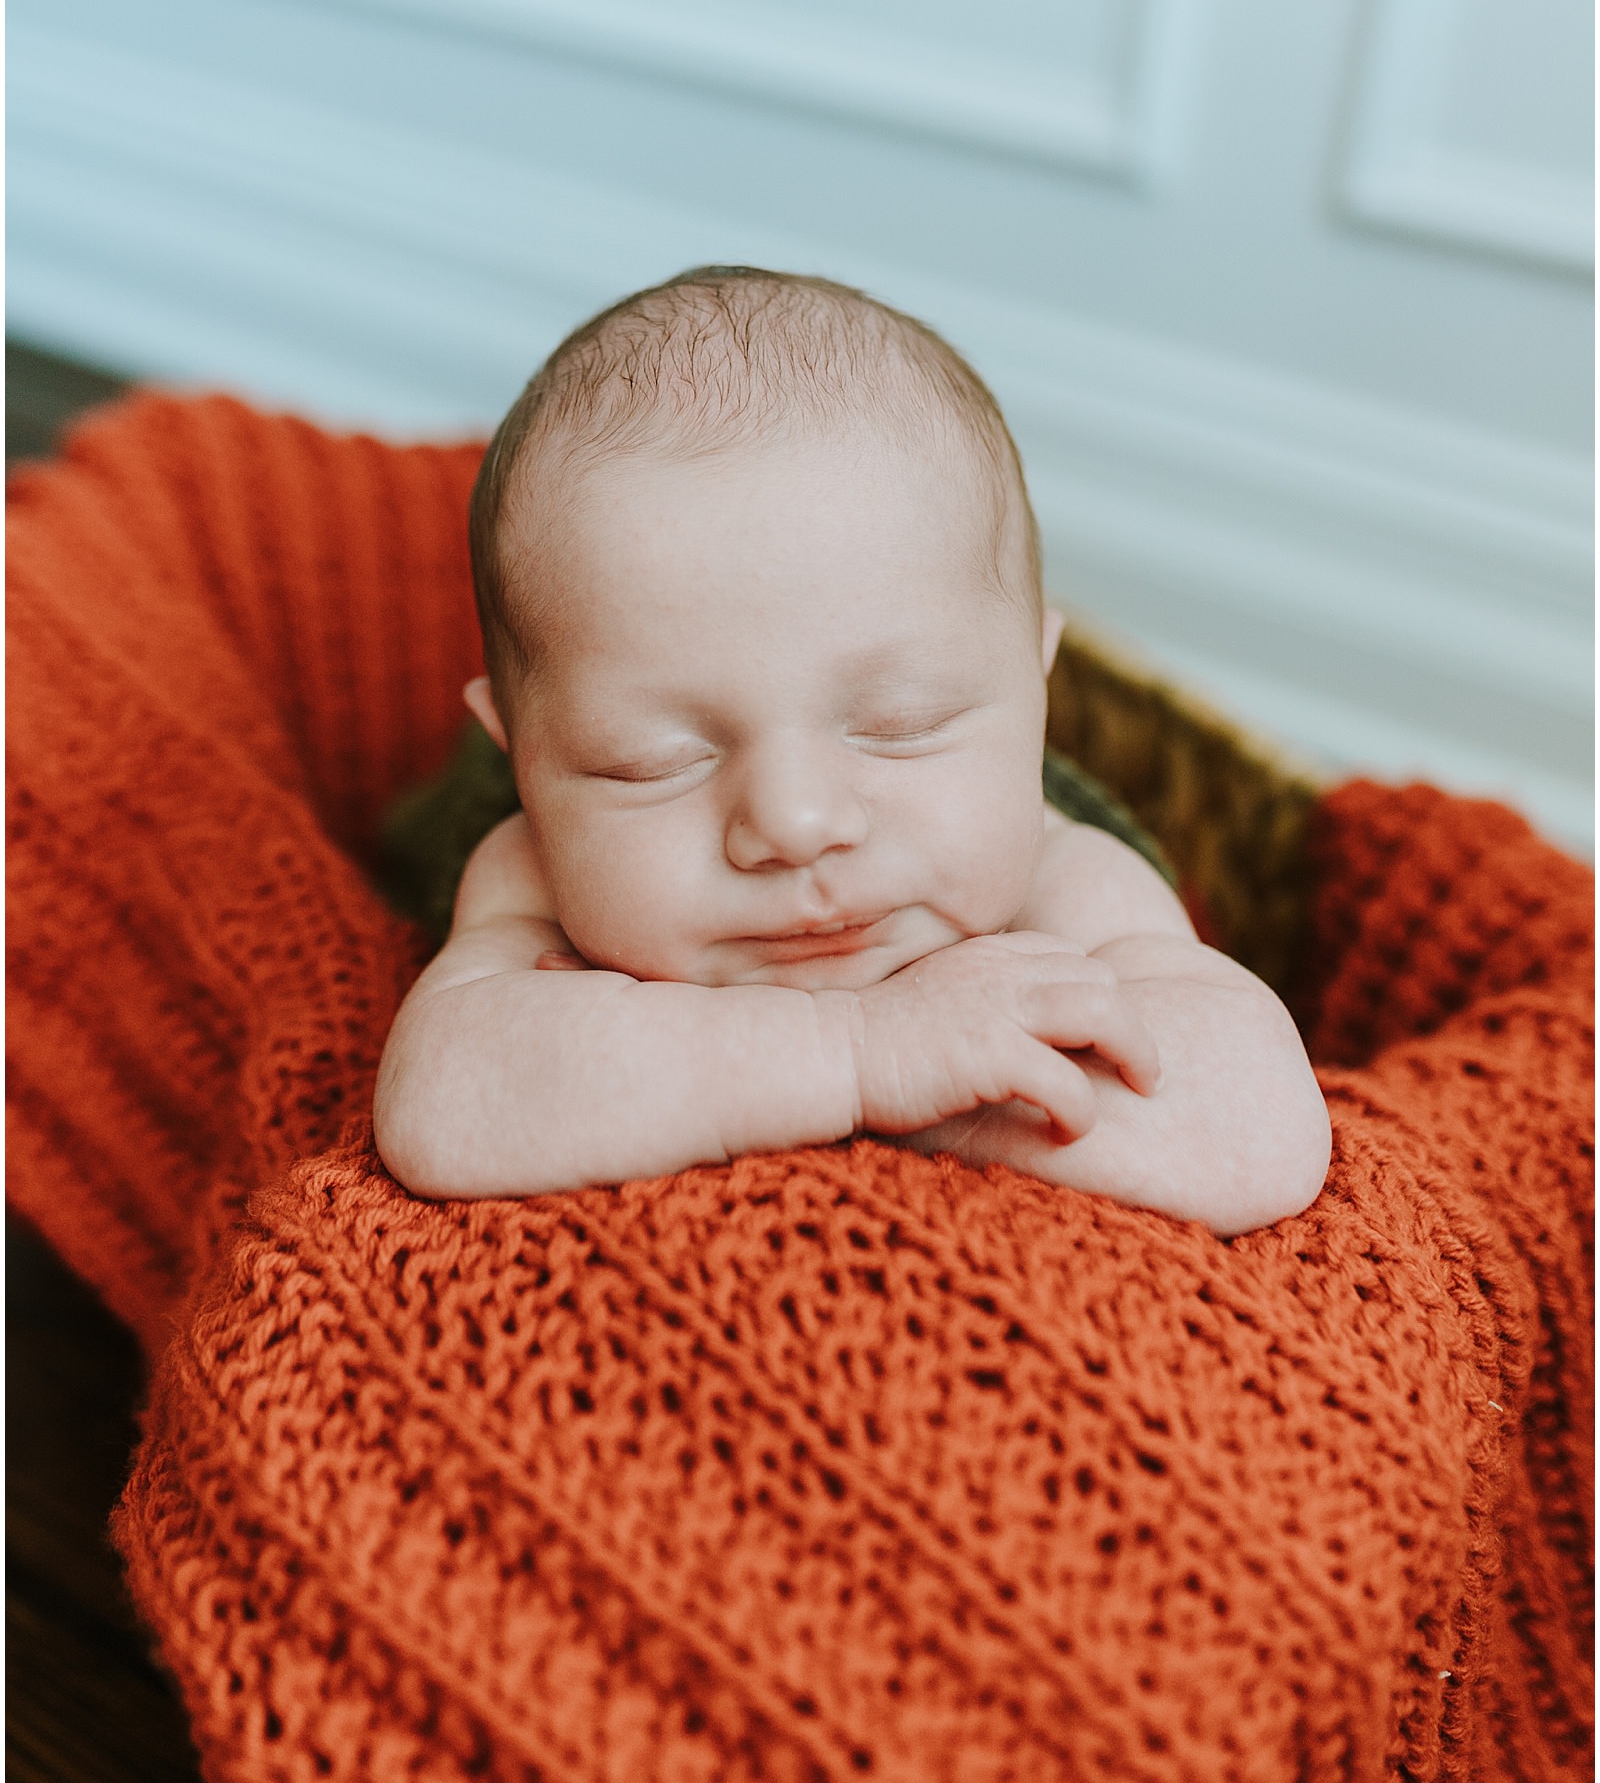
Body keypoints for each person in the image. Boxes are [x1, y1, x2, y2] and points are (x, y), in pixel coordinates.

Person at [374, 268, 1330, 1235]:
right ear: (525, 757)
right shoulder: (531, 867)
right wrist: (858, 1058)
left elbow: (1253, 1130)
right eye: (654, 760)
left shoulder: (1062, 876)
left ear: (1038, 685)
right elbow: (445, 1103)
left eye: (902, 723)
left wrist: (963, 1087)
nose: (795, 823)